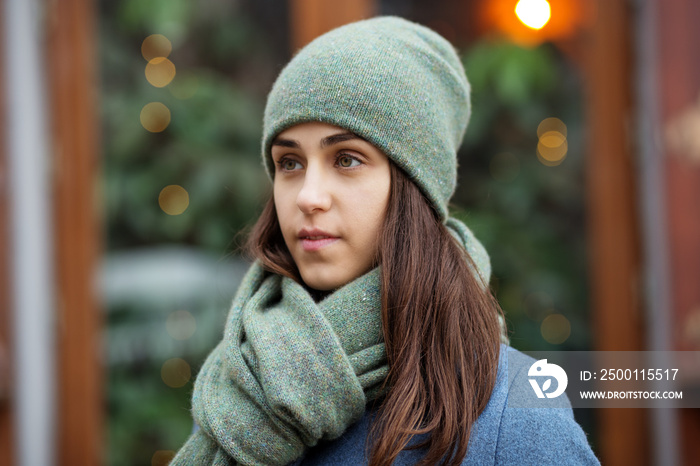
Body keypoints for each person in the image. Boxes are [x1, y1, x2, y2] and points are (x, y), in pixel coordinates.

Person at [171, 16, 599, 465]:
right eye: (290, 163)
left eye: (348, 159)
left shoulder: (511, 410)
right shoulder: (240, 387)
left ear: (415, 187)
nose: (309, 197)